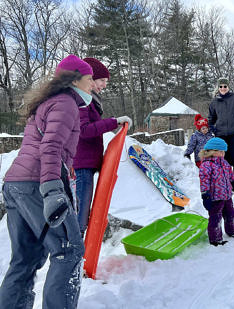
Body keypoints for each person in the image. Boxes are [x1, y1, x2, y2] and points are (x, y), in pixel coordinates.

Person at [0, 54, 94, 308]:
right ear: (74, 80)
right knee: (69, 251)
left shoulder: (51, 102)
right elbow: (50, 146)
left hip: (16, 184)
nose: (92, 85)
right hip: (37, 184)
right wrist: (53, 189)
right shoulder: (65, 103)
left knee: (26, 259)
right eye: (89, 79)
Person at [75, 57, 132, 236]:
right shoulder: (81, 100)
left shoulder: (91, 100)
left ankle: (79, 252)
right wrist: (113, 122)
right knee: (81, 214)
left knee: (84, 211)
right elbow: (83, 131)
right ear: (90, 79)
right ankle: (75, 255)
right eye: (102, 81)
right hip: (82, 164)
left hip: (88, 162)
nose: (104, 85)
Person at [199, 137, 234, 246]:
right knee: (216, 218)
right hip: (214, 198)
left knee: (231, 214)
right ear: (212, 151)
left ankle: (232, 231)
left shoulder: (225, 163)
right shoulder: (206, 165)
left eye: (224, 151)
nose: (223, 154)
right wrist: (206, 196)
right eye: (221, 151)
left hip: (227, 196)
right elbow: (204, 182)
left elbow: (231, 176)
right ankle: (215, 239)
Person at [208, 77, 234, 187]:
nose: (223, 88)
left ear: (228, 87)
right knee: (223, 159)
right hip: (221, 135)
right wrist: (211, 126)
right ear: (218, 88)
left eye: (225, 86)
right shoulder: (214, 102)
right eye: (220, 86)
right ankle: (225, 181)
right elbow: (211, 117)